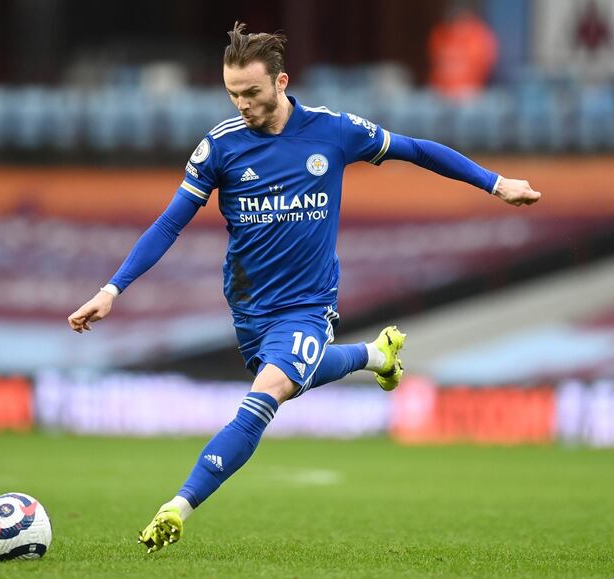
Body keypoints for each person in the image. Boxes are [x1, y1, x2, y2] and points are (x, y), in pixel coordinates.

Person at [67, 22, 540, 553]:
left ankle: (178, 505)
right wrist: (113, 289)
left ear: (281, 81)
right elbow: (169, 223)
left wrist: (496, 183)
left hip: (308, 305)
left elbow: (416, 149)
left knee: (268, 391)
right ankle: (373, 356)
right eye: (232, 94)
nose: (241, 104)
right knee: (291, 376)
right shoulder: (219, 148)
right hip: (248, 306)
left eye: (251, 92)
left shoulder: (332, 131)